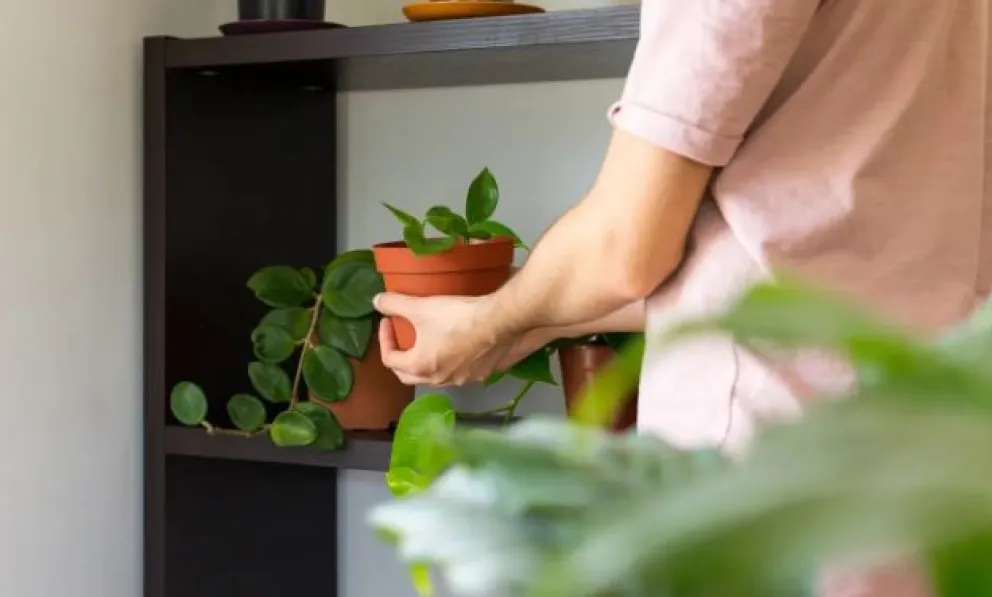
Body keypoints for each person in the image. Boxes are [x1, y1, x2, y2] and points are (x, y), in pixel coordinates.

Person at [374, 1, 989, 593]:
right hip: (941, 484)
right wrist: (529, 324)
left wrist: (489, 322)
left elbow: (626, 246)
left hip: (765, 483)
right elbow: (826, 248)